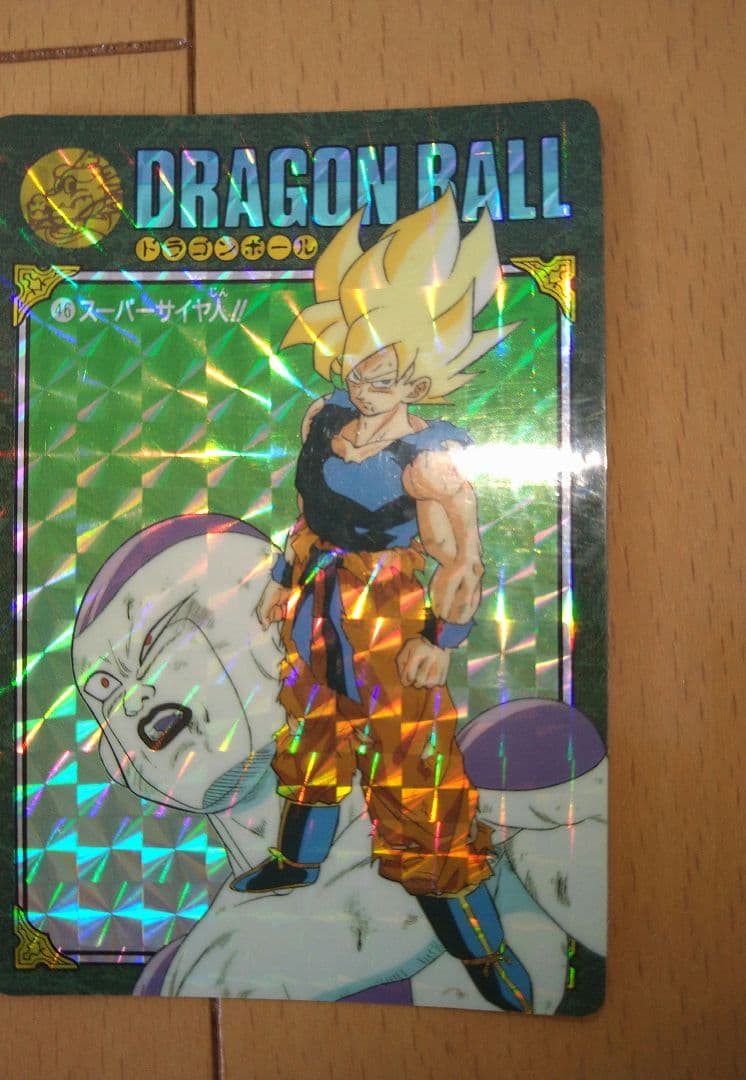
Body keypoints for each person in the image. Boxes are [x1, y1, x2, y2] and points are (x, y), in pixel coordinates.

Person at [72, 513, 607, 1007]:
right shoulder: (182, 974)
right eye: (103, 686)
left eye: (159, 637)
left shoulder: (516, 776)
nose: (131, 700)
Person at [230, 192, 533, 1012]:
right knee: (311, 731)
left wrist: (444, 635)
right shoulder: (322, 417)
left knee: (415, 776)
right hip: (321, 604)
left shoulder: (428, 459)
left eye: (387, 373)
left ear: (420, 376)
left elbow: (462, 557)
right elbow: (310, 515)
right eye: (359, 365)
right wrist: (284, 578)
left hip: (392, 617)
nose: (366, 384)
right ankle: (297, 861)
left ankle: (481, 951)